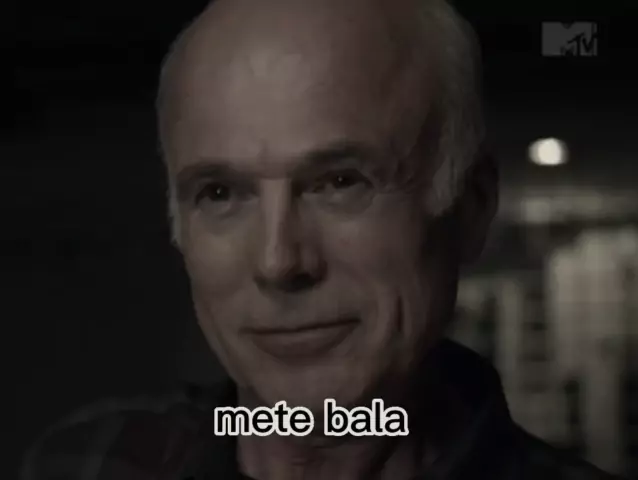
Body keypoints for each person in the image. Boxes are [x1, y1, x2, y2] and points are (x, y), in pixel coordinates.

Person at [21, 0, 622, 479]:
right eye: (221, 193)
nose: (279, 261)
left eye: (339, 182)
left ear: (470, 209)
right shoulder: (90, 462)